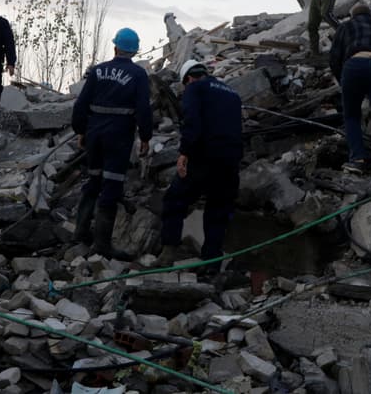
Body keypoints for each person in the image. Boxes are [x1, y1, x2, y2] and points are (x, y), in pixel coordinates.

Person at [70, 27, 153, 260]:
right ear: (134, 51)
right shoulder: (138, 75)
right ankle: (103, 244)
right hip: (119, 136)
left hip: (95, 134)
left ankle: (81, 232)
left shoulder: (98, 71)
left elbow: (81, 105)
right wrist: (146, 136)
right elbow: (143, 109)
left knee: (93, 179)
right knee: (112, 184)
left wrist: (81, 131)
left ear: (115, 47)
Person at [156, 60, 244, 272]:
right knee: (218, 209)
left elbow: (192, 123)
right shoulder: (232, 93)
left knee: (175, 199)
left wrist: (184, 152)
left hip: (204, 157)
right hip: (231, 161)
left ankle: (168, 253)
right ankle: (211, 264)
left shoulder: (195, 88)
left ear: (188, 78)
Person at [329, 2, 371, 197]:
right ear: (370, 14)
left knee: (351, 116)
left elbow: (334, 57)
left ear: (352, 15)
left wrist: (343, 80)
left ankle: (357, 160)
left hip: (355, 65)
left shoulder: (346, 26)